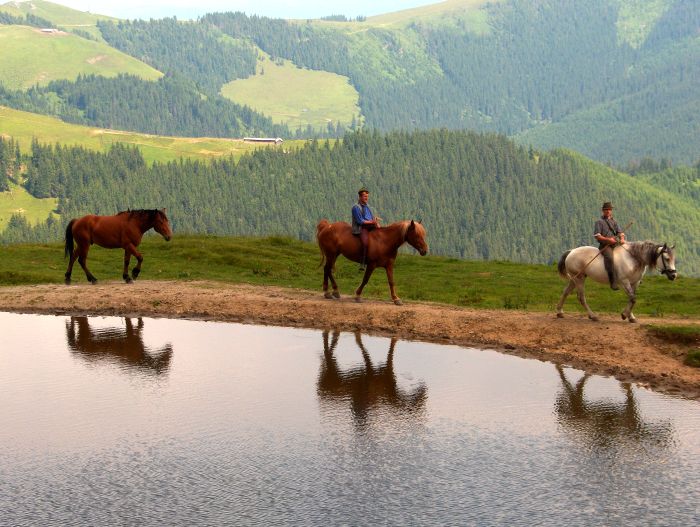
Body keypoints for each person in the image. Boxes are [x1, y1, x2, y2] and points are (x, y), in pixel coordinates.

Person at [593, 201, 626, 290]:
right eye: (606, 209)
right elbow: (597, 236)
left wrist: (622, 239)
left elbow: (620, 232)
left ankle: (632, 276)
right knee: (610, 259)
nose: (608, 211)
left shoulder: (614, 222)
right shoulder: (599, 222)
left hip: (615, 244)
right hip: (605, 246)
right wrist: (608, 240)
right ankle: (613, 282)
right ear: (603, 211)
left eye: (609, 210)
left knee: (627, 253)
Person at [352, 187, 380, 271]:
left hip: (370, 225)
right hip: (362, 228)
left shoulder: (368, 207)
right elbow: (360, 221)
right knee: (365, 243)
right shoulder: (356, 207)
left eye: (367, 196)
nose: (366, 198)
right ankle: (362, 263)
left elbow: (371, 217)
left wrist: (375, 221)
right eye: (364, 196)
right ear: (360, 197)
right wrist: (372, 222)